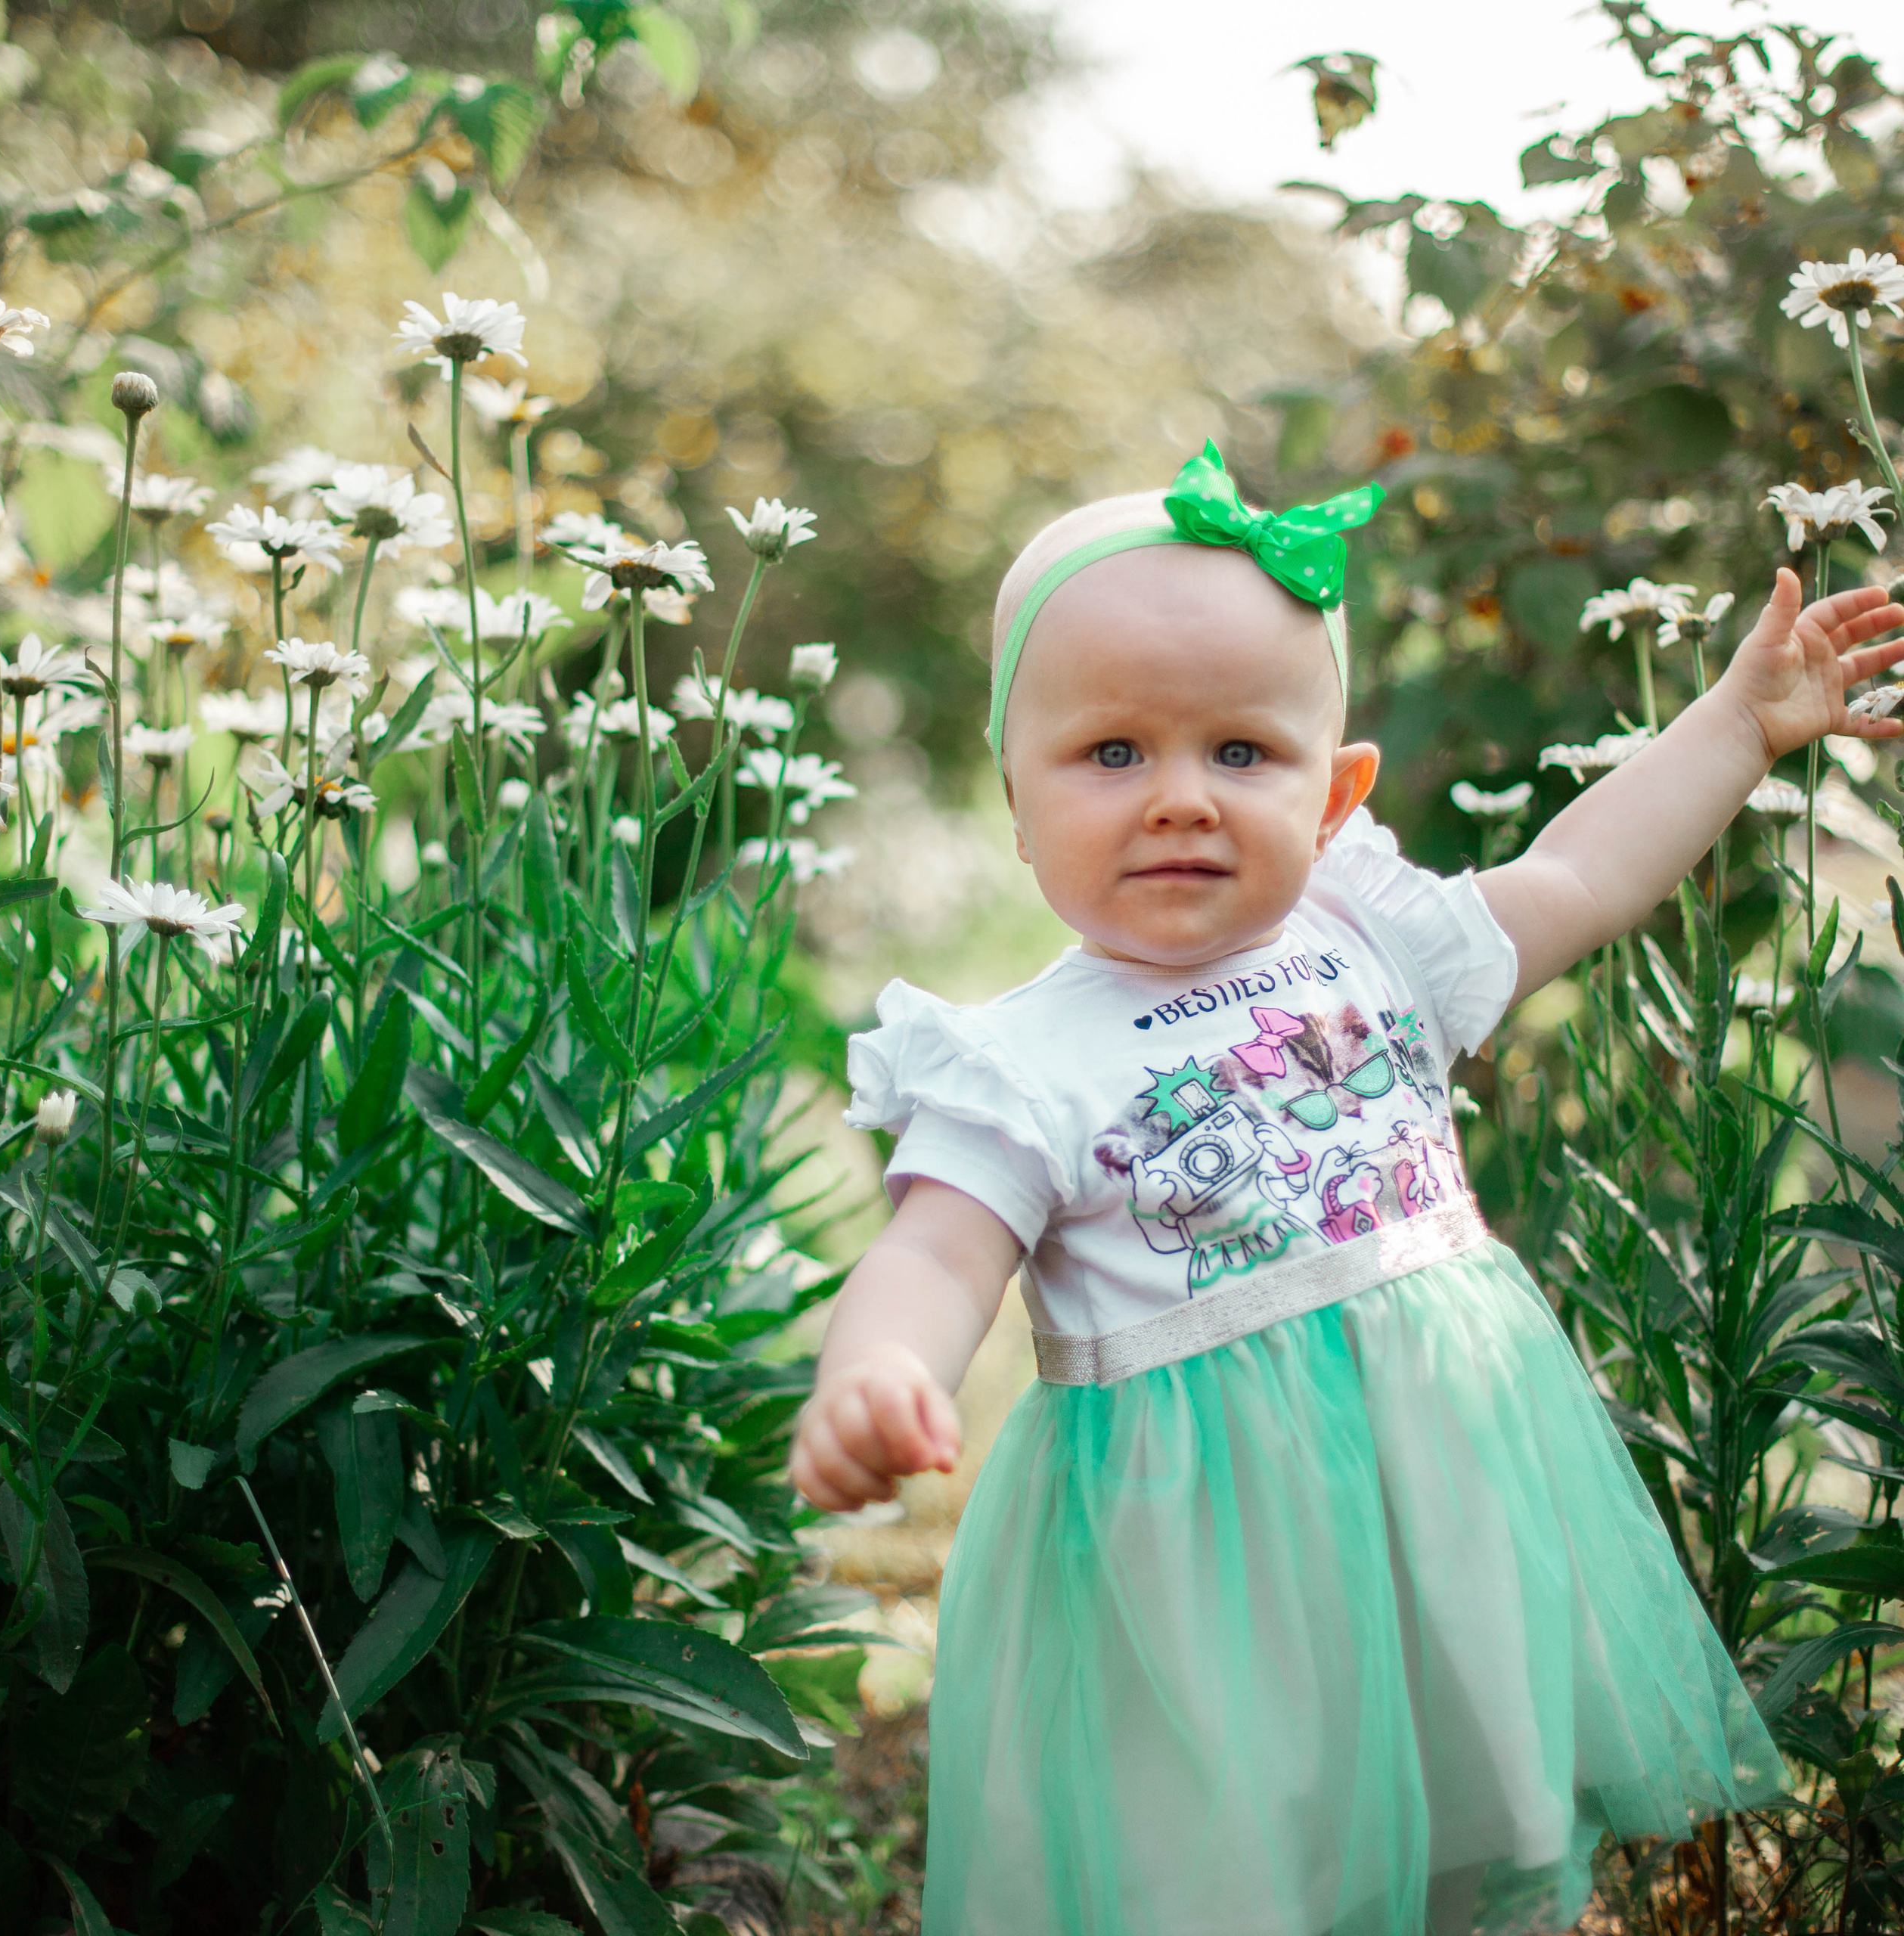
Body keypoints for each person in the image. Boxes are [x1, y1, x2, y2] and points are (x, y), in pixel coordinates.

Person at [788, 441, 1904, 1936]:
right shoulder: (1010, 1062)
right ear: (1012, 791)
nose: (1178, 797)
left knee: (1455, 1824)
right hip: (1195, 1551)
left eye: (1238, 752)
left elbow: (1582, 875)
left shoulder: (1371, 938)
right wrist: (874, 1371)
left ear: (1332, 793)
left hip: (1437, 1489)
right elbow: (935, 1251)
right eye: (1111, 753)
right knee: (1234, 1858)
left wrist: (1735, 722)